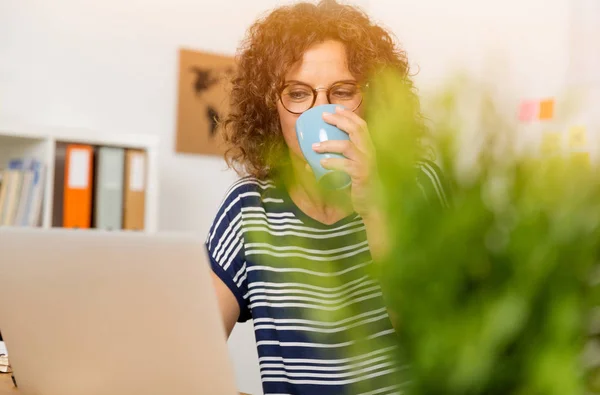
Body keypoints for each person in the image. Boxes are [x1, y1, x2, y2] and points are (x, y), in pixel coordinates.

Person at [206, 1, 448, 394]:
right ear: (273, 110)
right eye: (298, 94)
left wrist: (374, 204)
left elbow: (439, 342)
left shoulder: (417, 185)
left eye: (343, 91)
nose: (323, 112)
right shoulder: (250, 210)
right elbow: (190, 353)